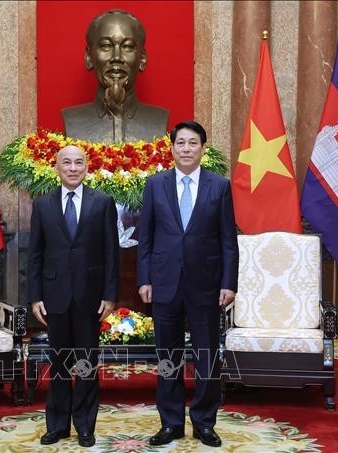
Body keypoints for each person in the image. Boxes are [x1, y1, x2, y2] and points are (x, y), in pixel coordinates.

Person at [137, 120, 239, 448]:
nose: (186, 149)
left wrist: (228, 283)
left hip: (207, 285)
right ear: (172, 148)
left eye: (192, 143)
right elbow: (146, 239)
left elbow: (227, 240)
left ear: (202, 149)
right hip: (164, 284)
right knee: (168, 357)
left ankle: (205, 422)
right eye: (180, 143)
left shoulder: (219, 186)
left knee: (207, 356)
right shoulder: (155, 185)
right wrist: (145, 279)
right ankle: (170, 423)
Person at [28, 145, 120, 448]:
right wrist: (35, 296)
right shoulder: (42, 205)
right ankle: (57, 425)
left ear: (86, 166)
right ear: (56, 167)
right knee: (59, 364)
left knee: (86, 364)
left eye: (78, 162)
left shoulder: (102, 202)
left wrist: (109, 295)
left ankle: (84, 425)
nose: (72, 168)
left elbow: (111, 252)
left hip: (89, 297)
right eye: (66, 162)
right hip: (54, 297)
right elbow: (36, 255)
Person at [61, 9, 169, 143]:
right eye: (106, 46)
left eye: (127, 47)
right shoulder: (72, 120)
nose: (116, 57)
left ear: (142, 59)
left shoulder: (159, 119)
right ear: (89, 57)